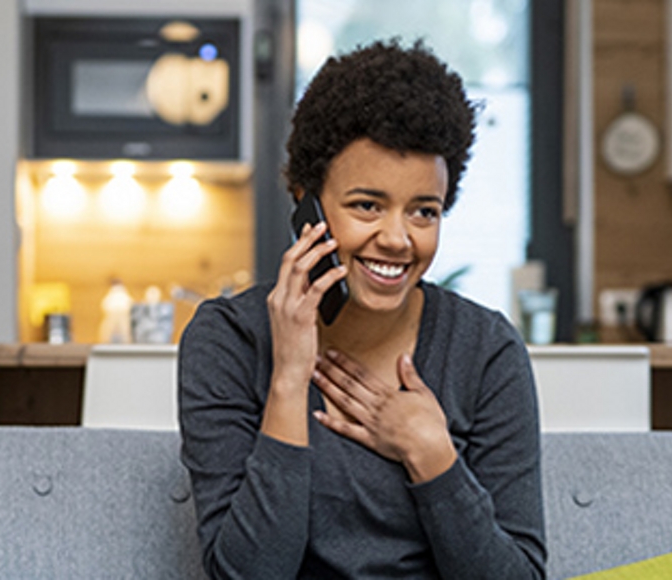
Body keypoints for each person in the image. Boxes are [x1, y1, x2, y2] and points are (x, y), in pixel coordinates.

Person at [179, 38, 546, 579]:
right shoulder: (229, 340)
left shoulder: (486, 352)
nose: (398, 239)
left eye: (424, 211)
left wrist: (432, 456)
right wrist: (287, 380)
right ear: (308, 203)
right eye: (367, 205)